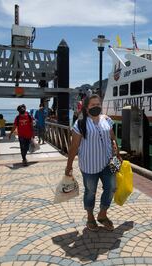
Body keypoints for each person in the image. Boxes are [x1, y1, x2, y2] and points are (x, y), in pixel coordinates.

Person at [65, 94, 121, 232]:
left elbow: (112, 138)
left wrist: (117, 151)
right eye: (93, 105)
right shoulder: (80, 124)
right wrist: (69, 165)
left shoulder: (107, 120)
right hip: (89, 165)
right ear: (86, 107)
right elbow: (74, 146)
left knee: (112, 188)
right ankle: (90, 217)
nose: (96, 107)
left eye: (98, 104)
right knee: (90, 191)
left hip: (108, 162)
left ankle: (102, 215)